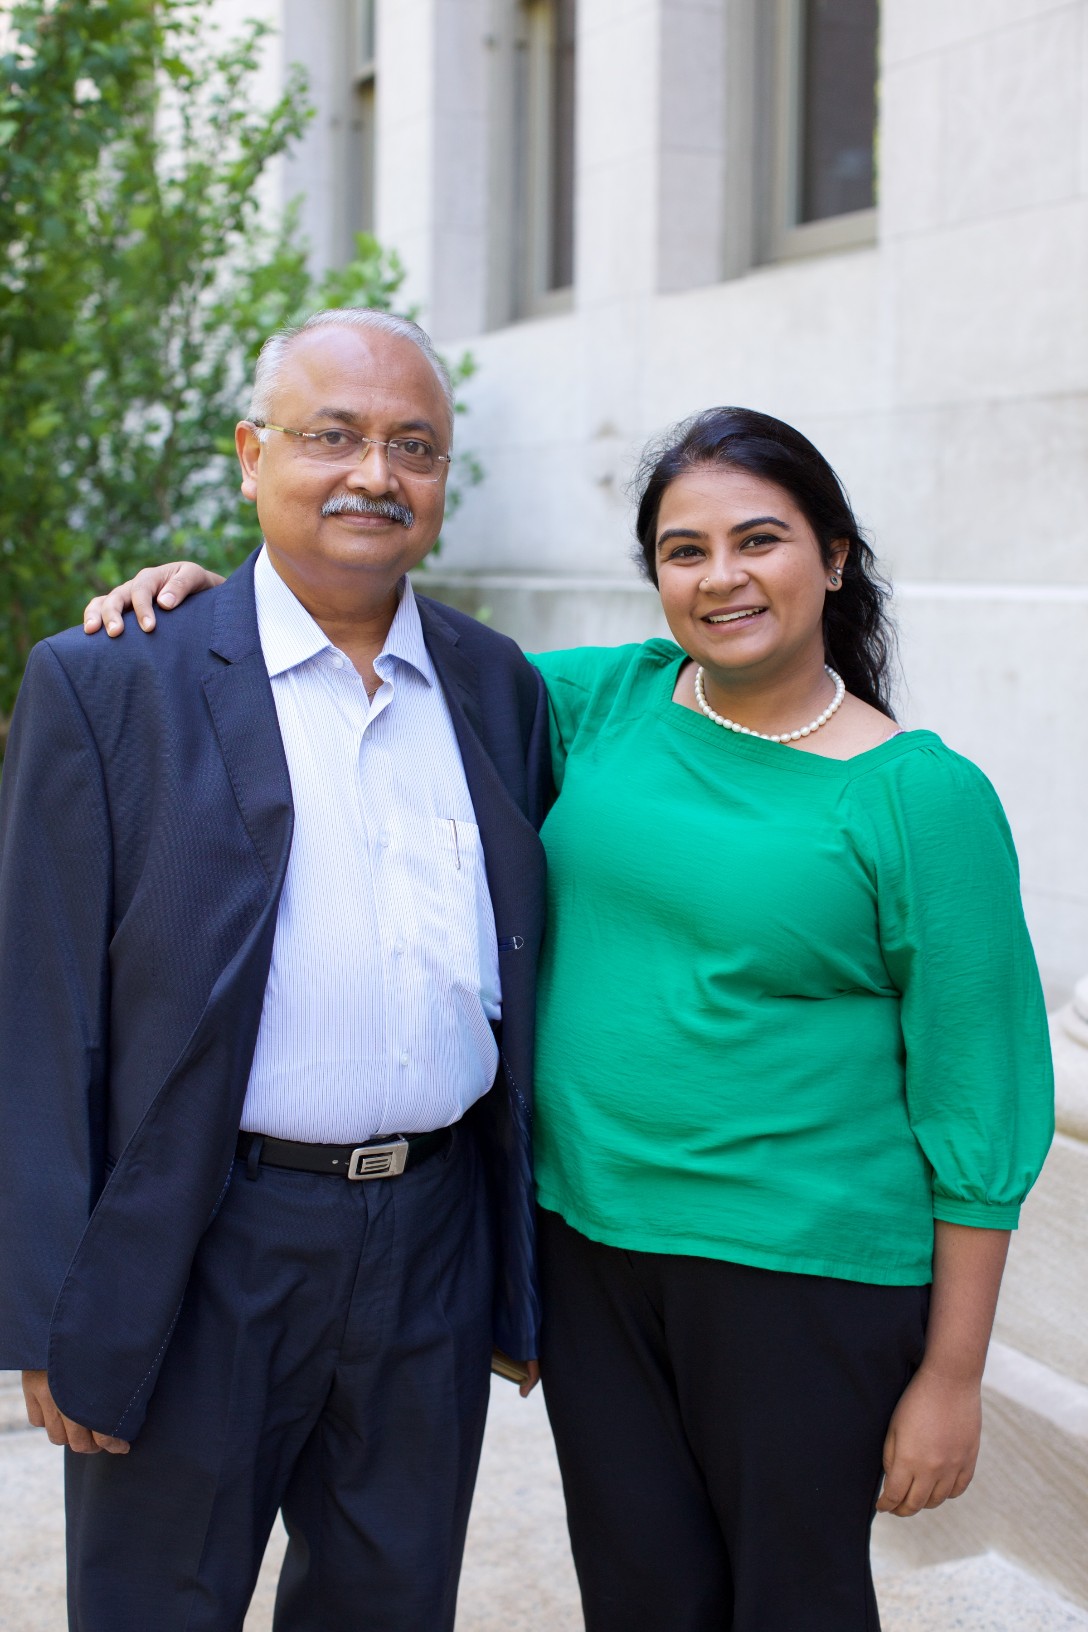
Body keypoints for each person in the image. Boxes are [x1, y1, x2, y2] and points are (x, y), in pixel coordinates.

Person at [84, 406, 1054, 1631]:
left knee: (791, 1602)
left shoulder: (919, 795)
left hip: (799, 1274)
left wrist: (951, 1379)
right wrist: (218, 605)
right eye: (683, 551)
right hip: (591, 1259)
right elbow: (373, 662)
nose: (721, 577)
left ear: (834, 556)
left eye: (758, 540)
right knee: (638, 1596)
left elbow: (981, 1107)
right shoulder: (609, 701)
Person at [0, 307, 549, 1632]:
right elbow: (39, 1012)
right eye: (332, 436)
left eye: (413, 446)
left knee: (389, 1605)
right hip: (203, 1245)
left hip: (431, 1244)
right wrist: (51, 1312)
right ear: (253, 456)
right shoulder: (113, 681)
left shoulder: (499, 686)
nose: (374, 473)